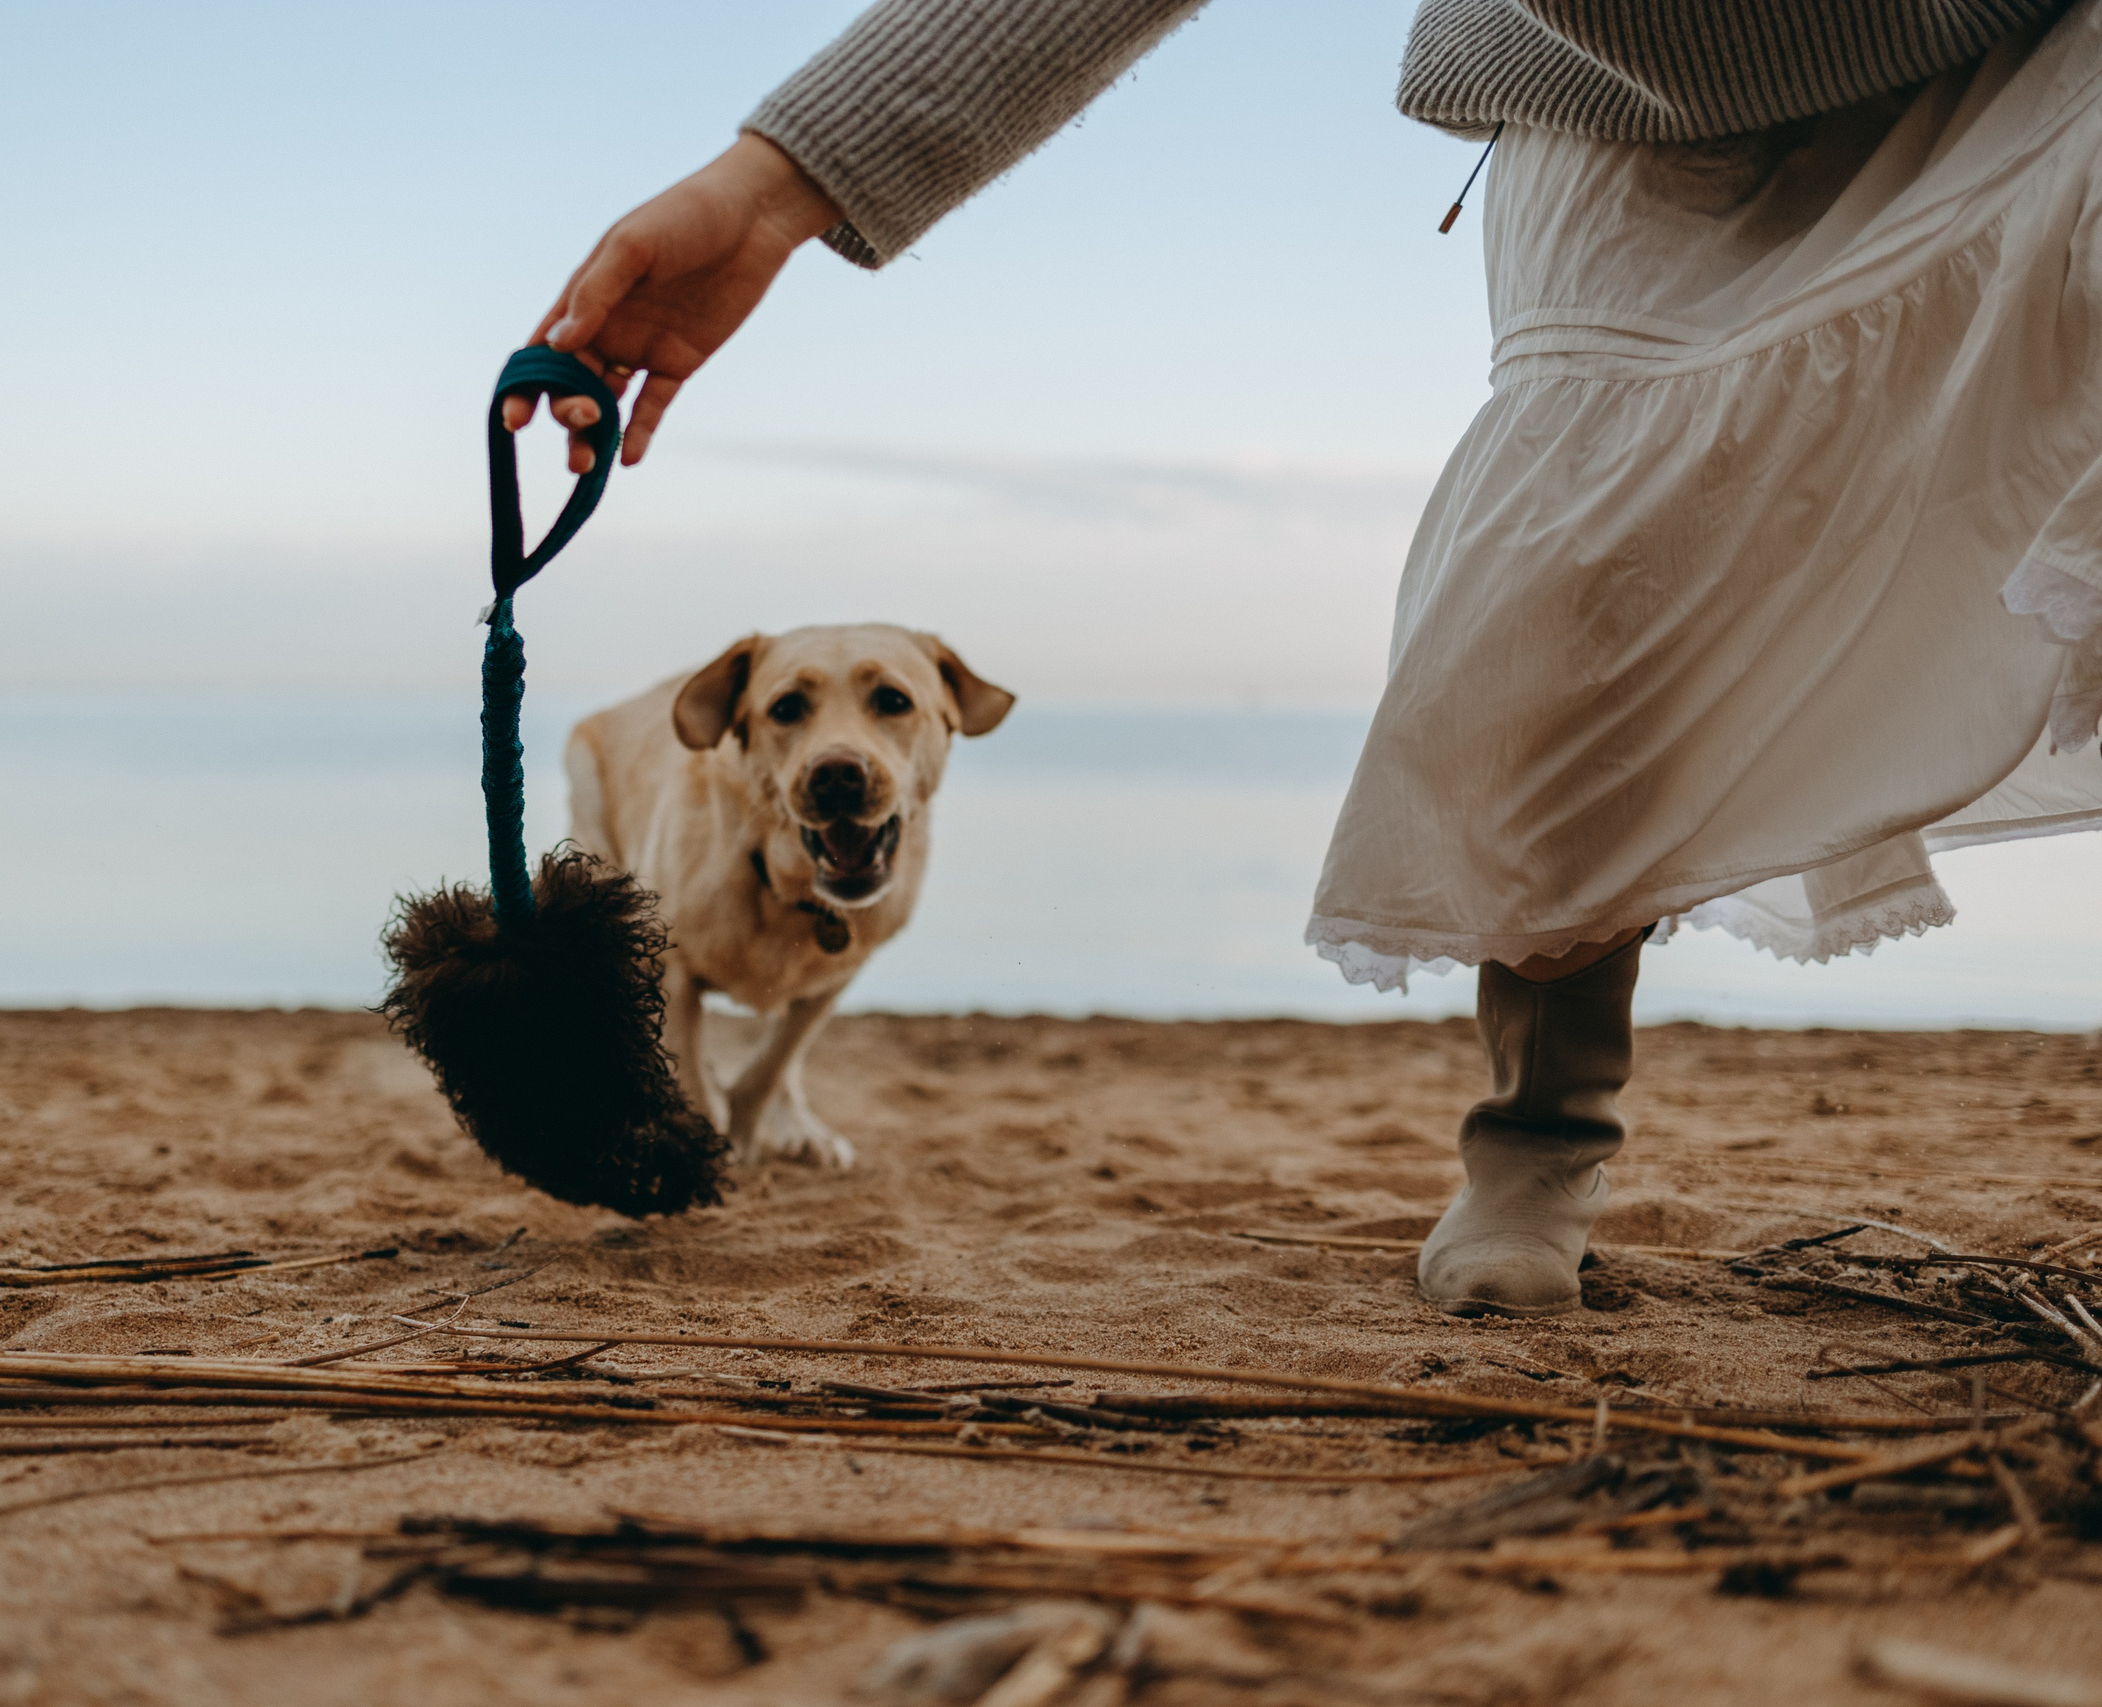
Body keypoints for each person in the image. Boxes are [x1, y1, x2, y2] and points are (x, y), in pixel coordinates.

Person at [505, 0, 2102, 1316]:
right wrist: (778, 182)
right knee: (1581, 620)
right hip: (1622, 115)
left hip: (2027, 58)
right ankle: (1539, 1142)